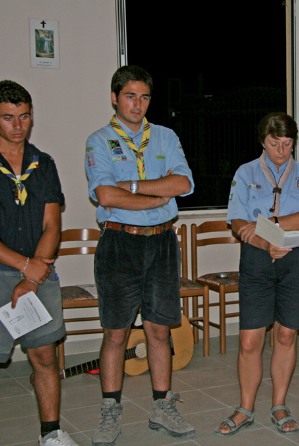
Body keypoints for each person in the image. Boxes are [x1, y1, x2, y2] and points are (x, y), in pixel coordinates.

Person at [0, 80, 78, 446]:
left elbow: (52, 225)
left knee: (45, 358)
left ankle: (51, 434)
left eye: (24, 116)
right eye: (9, 117)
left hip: (38, 276)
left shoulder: (44, 164)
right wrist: (25, 266)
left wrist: (33, 275)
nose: (18, 125)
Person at [85, 65, 195, 445]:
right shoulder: (99, 141)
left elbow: (183, 183)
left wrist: (131, 186)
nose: (138, 104)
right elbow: (105, 195)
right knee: (116, 334)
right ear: (115, 98)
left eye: (144, 97)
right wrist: (156, 196)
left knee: (159, 331)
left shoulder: (165, 136)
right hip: (120, 244)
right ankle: (110, 412)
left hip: (162, 243)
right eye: (130, 96)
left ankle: (163, 406)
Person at [216, 112, 299, 437]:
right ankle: (245, 408)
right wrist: (264, 241)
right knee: (250, 341)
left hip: (297, 257)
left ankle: (279, 404)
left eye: (287, 144)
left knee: (286, 335)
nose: (281, 151)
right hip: (257, 258)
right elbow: (237, 221)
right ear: (263, 142)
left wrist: (269, 225)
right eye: (275, 144)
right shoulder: (246, 172)